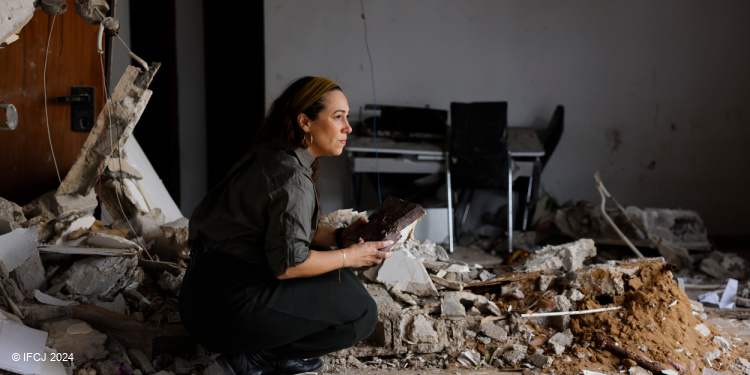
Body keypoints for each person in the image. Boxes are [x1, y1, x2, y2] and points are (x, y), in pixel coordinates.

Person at [179, 76, 393, 375]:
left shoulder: (273, 156)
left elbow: (283, 230)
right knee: (361, 313)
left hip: (204, 298)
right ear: (305, 122)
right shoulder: (291, 176)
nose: (348, 127)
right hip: (225, 310)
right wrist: (351, 255)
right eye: (338, 117)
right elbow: (289, 265)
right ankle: (253, 358)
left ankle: (265, 356)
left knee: (341, 279)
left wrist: (342, 236)